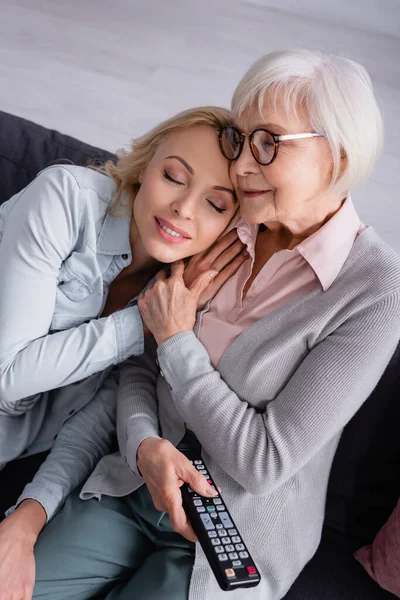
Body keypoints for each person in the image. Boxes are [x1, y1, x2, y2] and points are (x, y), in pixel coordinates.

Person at [2, 48, 400, 600]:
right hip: (132, 479)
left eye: (268, 144)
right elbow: (139, 368)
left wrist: (175, 339)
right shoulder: (229, 221)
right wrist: (143, 444)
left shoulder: (376, 291)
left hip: (227, 533)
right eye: (241, 138)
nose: (240, 168)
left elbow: (264, 461)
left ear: (336, 155)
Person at [0, 106, 246, 512]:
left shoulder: (182, 304)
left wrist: (31, 512)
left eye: (215, 204)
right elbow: (8, 378)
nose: (183, 208)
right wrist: (142, 323)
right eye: (174, 177)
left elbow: (92, 424)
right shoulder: (64, 199)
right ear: (144, 166)